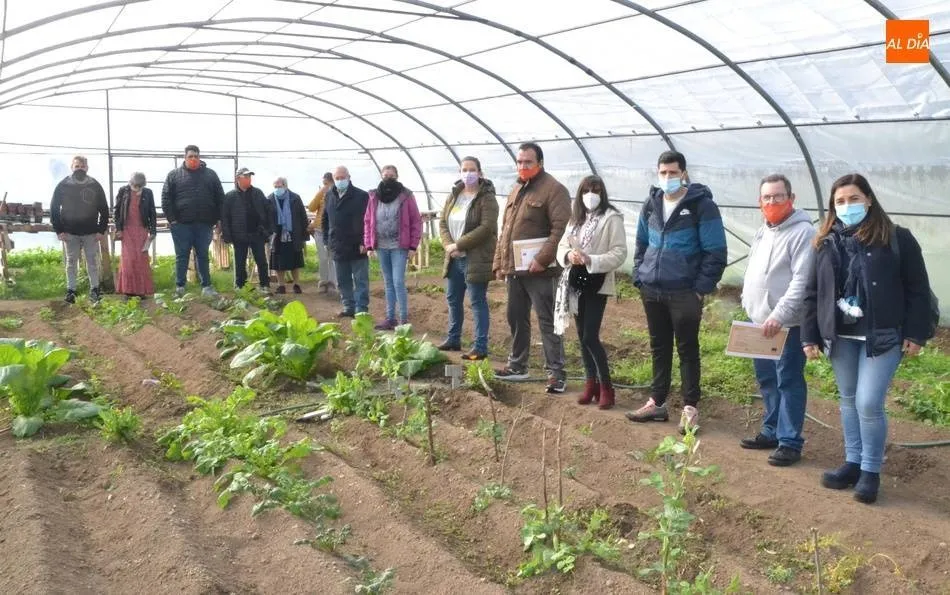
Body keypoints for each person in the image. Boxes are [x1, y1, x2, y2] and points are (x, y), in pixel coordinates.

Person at [803, 173, 932, 504]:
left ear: (869, 200)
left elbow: (917, 289)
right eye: (840, 201)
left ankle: (871, 472)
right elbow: (812, 293)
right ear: (833, 206)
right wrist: (809, 335)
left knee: (868, 402)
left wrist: (916, 332)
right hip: (840, 336)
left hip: (883, 335)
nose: (847, 206)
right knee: (847, 399)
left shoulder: (897, 239)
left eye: (854, 199)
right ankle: (853, 462)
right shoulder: (825, 241)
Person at [626, 150, 727, 434]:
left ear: (683, 173)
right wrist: (639, 276)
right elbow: (641, 244)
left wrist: (699, 290)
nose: (667, 177)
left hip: (684, 291)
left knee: (687, 348)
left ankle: (690, 407)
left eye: (673, 172)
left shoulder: (701, 206)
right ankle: (657, 402)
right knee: (659, 347)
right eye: (663, 172)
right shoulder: (652, 203)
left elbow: (716, 252)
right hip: (652, 288)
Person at [739, 174, 816, 467]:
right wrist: (750, 305)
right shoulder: (763, 231)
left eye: (778, 196)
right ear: (760, 202)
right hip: (759, 321)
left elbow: (801, 281)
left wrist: (778, 315)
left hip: (787, 324)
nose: (772, 202)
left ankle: (790, 441)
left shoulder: (803, 233)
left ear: (791, 198)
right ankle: (771, 431)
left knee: (789, 379)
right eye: (767, 198)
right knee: (767, 379)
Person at [492, 142, 571, 393]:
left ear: (540, 163)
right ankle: (518, 365)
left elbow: (561, 229)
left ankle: (556, 373)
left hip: (541, 271)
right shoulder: (517, 188)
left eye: (528, 162)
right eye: (519, 162)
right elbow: (505, 230)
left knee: (547, 320)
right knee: (516, 317)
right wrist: (499, 262)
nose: (522, 166)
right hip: (516, 269)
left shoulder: (554, 190)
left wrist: (543, 258)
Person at [554, 175, 627, 410]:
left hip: (598, 283)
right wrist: (569, 256)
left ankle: (606, 386)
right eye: (586, 190)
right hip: (576, 283)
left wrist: (591, 259)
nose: (590, 195)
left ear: (602, 193)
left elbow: (619, 252)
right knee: (581, 335)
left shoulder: (611, 218)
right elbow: (562, 246)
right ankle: (591, 383)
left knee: (590, 336)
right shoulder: (576, 219)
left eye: (595, 190)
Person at [438, 156, 498, 360]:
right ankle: (453, 338)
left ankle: (480, 346)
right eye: (464, 169)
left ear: (480, 173)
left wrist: (460, 244)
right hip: (454, 257)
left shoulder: (486, 197)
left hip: (475, 257)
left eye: (472, 169)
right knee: (453, 298)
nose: (468, 173)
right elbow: (443, 223)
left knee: (476, 300)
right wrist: (448, 246)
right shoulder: (455, 194)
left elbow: (486, 227)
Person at [161, 144, 225, 298]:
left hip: (204, 224)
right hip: (181, 225)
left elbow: (220, 198)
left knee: (203, 255)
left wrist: (218, 219)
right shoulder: (174, 175)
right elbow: (166, 198)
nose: (193, 159)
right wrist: (172, 220)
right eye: (190, 156)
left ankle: (207, 287)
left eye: (196, 156)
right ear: (185, 158)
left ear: (199, 157)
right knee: (182, 255)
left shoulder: (210, 175)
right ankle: (180, 287)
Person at [364, 165, 422, 329]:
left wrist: (413, 245)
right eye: (385, 175)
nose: (388, 177)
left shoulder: (406, 195)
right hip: (381, 245)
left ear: (397, 176)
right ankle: (390, 318)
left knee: (398, 281)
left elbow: (416, 221)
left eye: (391, 175)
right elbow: (368, 221)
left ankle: (403, 319)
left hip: (399, 245)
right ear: (381, 176)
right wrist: (369, 245)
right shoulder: (374, 196)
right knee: (388, 282)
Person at [50, 155, 109, 304]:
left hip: (91, 233)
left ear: (87, 168)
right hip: (70, 233)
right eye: (77, 166)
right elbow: (54, 208)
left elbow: (104, 209)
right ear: (72, 167)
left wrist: (101, 230)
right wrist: (59, 230)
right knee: (71, 262)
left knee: (92, 262)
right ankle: (71, 291)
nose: (79, 169)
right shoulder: (63, 185)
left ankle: (95, 290)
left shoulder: (95, 185)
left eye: (82, 167)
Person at [322, 165, 370, 317]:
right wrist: (326, 239)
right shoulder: (329, 195)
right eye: (337, 178)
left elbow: (368, 221)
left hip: (357, 245)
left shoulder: (361, 196)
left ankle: (361, 309)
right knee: (343, 280)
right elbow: (325, 219)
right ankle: (348, 306)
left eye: (343, 178)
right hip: (337, 244)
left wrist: (365, 241)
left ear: (349, 178)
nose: (340, 180)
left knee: (360, 279)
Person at [221, 168, 272, 291]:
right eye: (246, 176)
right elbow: (225, 217)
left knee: (261, 261)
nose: (249, 179)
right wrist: (227, 235)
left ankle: (264, 285)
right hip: (239, 235)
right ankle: (240, 286)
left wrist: (267, 229)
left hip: (257, 233)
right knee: (240, 261)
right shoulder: (230, 196)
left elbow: (268, 210)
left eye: (250, 176)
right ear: (238, 178)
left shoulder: (258, 193)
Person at [114, 172, 157, 299]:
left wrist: (153, 231)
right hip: (127, 229)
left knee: (141, 259)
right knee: (128, 260)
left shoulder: (148, 193)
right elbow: (116, 211)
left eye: (139, 186)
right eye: (135, 185)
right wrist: (119, 229)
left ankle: (141, 290)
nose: (137, 188)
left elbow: (152, 212)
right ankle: (128, 290)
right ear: (130, 183)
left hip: (142, 229)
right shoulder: (123, 191)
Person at [269, 177, 309, 294]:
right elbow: (267, 217)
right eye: (275, 187)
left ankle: (296, 284)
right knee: (278, 260)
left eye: (279, 186)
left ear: (285, 186)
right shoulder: (270, 199)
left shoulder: (295, 198)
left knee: (295, 260)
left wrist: (304, 235)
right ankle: (281, 285)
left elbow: (302, 216)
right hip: (277, 233)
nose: (277, 189)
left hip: (293, 233)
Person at [308, 172, 337, 294]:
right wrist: (320, 193)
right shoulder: (322, 194)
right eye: (324, 184)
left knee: (333, 257)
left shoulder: (337, 193)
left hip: (334, 230)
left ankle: (332, 283)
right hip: (320, 229)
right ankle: (323, 281)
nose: (325, 186)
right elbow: (311, 208)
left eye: (327, 183)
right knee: (323, 257)